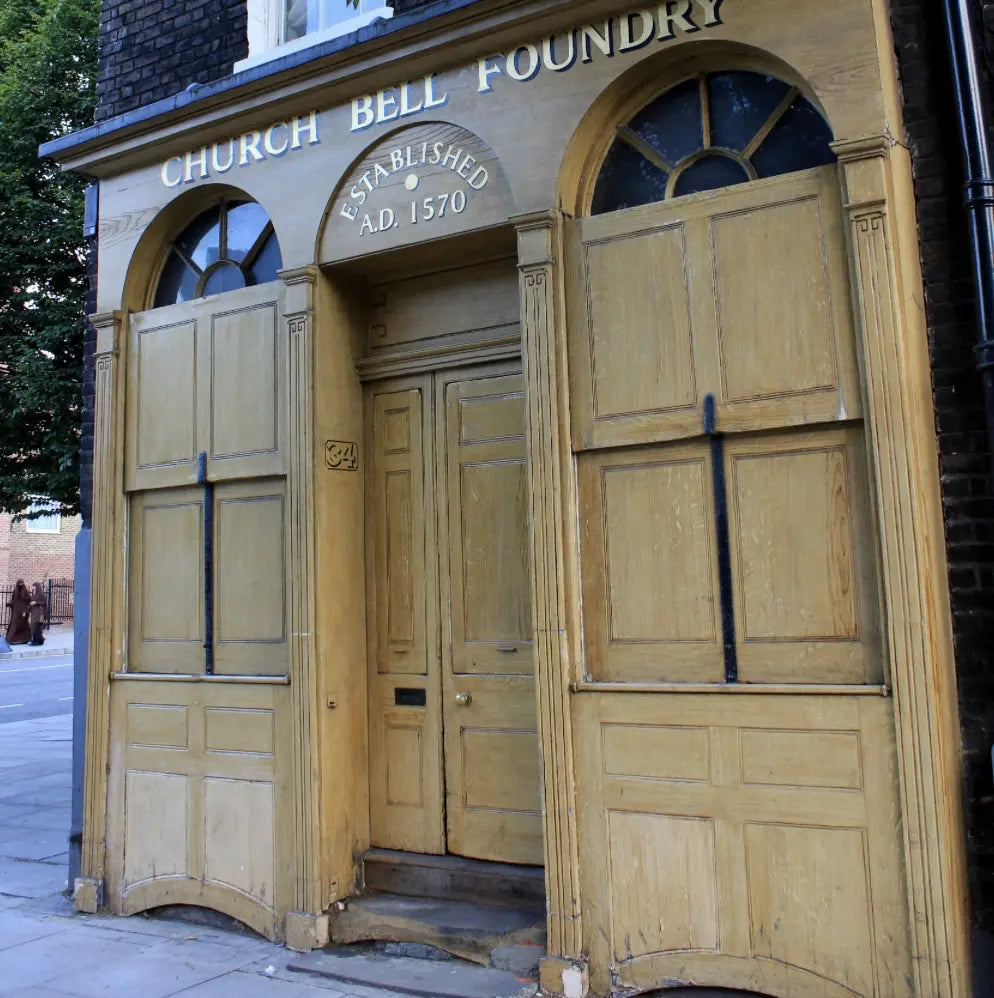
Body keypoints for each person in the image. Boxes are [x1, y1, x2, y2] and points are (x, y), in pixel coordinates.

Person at [5, 580, 31, 645]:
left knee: (24, 624)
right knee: (14, 624)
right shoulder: (15, 591)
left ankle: (25, 638)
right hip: (16, 611)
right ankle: (11, 639)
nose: (20, 585)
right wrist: (10, 603)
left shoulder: (25, 592)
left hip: (23, 611)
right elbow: (14, 600)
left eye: (22, 584)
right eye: (19, 584)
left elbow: (28, 601)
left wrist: (25, 610)